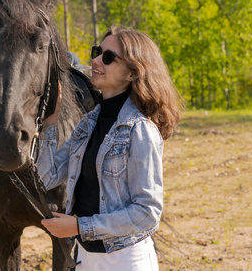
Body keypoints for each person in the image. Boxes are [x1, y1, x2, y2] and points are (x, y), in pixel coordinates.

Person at [37, 26, 182, 270]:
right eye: (97, 52)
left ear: (132, 73)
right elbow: (47, 176)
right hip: (85, 257)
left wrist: (79, 227)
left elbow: (146, 212)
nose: (95, 61)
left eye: (108, 57)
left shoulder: (140, 130)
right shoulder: (87, 125)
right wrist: (50, 125)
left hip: (125, 260)